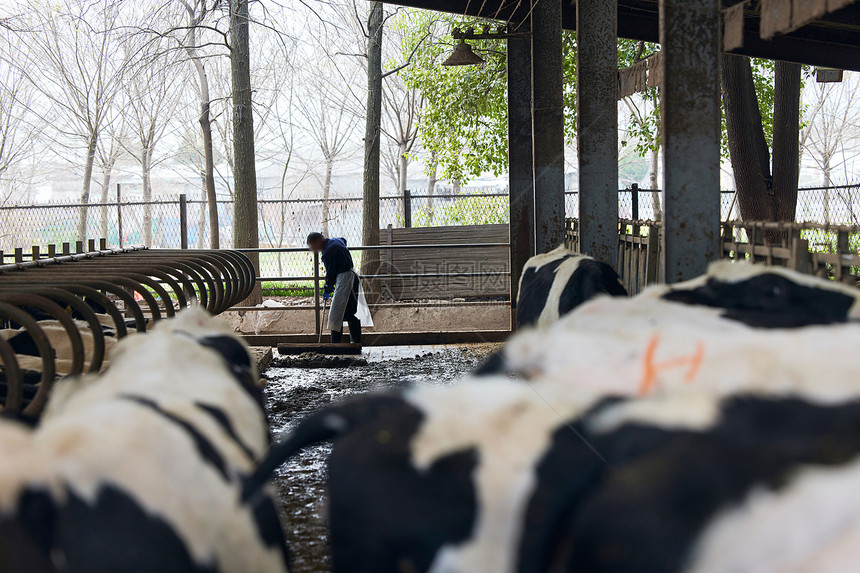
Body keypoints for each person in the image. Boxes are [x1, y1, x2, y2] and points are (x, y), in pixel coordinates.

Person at [306, 232, 369, 344]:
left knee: (336, 314)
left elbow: (331, 273)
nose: (314, 250)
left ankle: (336, 343)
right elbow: (343, 240)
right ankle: (356, 342)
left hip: (344, 279)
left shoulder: (327, 252)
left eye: (313, 247)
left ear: (318, 241)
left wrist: (327, 288)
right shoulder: (335, 241)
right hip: (352, 277)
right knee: (350, 311)